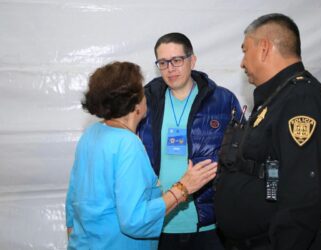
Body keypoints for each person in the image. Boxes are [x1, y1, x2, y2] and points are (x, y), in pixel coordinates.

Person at [214, 13, 321, 250]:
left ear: (264, 48)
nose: (242, 62)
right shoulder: (279, 97)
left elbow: (303, 196)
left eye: (244, 50)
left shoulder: (301, 100)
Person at [65, 61, 218, 250]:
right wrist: (185, 187)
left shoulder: (92, 134)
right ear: (136, 105)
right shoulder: (127, 144)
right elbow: (135, 221)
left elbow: (73, 198)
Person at [137, 32, 241, 250]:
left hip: (208, 224)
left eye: (177, 60)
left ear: (192, 60)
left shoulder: (223, 100)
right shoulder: (146, 102)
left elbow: (241, 156)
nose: (170, 69)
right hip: (160, 221)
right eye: (163, 63)